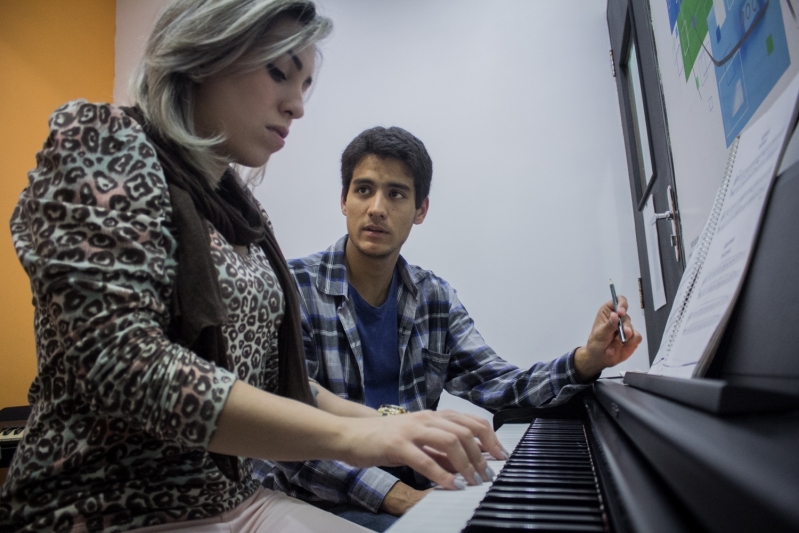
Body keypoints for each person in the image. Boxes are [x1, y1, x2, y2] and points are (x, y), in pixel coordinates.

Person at [0, 3, 505, 532]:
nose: (297, 105)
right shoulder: (100, 140)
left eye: (305, 83)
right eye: (279, 72)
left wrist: (397, 423)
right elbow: (123, 366)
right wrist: (359, 439)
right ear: (204, 55)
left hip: (233, 500)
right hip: (107, 508)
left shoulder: (240, 211)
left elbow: (274, 384)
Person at [253, 126, 643, 530]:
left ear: (421, 210)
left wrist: (587, 359)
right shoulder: (294, 287)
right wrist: (399, 497)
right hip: (313, 499)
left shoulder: (433, 298)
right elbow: (289, 431)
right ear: (343, 201)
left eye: (396, 193)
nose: (377, 208)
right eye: (364, 190)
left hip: (410, 489)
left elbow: (501, 386)